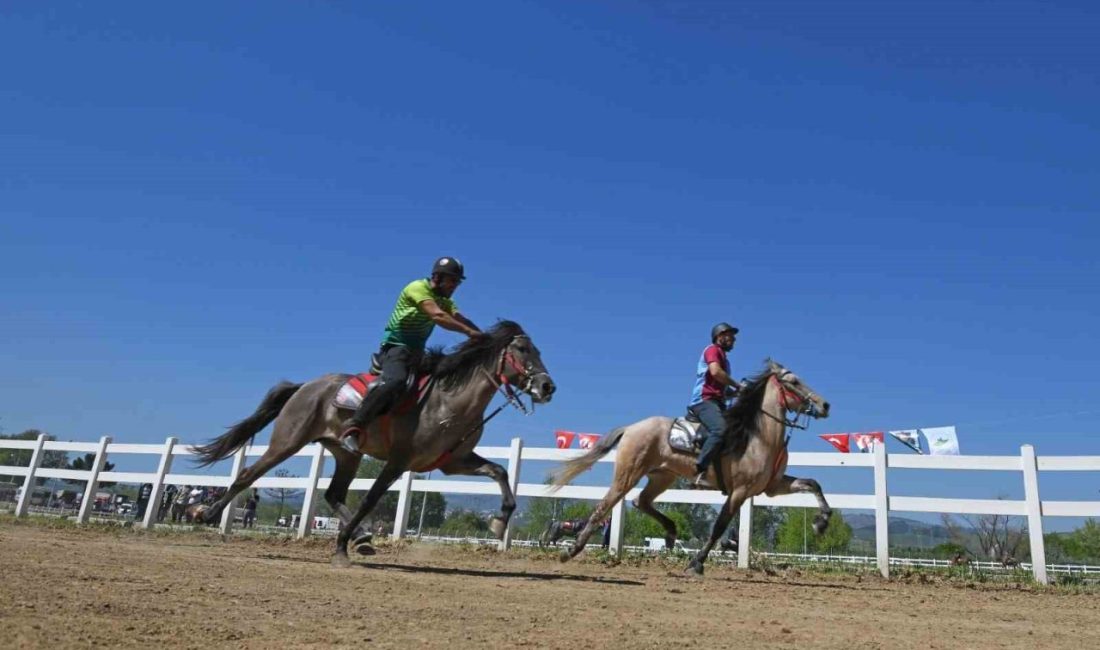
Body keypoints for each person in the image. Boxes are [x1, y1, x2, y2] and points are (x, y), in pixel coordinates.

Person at [341, 257, 483, 453]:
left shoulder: (446, 300)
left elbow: (460, 318)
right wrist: (469, 333)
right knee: (396, 382)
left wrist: (484, 337)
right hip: (395, 349)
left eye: (457, 282)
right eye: (452, 280)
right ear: (437, 277)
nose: (455, 286)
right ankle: (353, 428)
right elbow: (438, 316)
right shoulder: (417, 288)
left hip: (417, 353)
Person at [688, 322, 742, 488]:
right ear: (719, 337)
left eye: (733, 337)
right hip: (703, 402)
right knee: (721, 429)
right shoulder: (712, 350)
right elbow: (716, 373)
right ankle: (699, 470)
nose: (733, 339)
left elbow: (720, 388)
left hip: (716, 402)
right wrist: (738, 386)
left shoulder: (725, 360)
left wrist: (734, 393)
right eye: (730, 336)